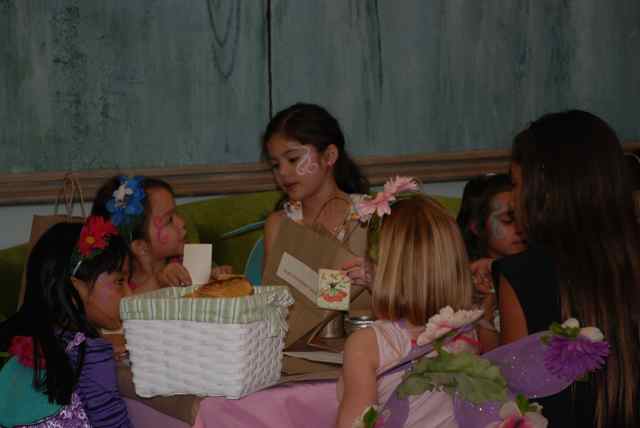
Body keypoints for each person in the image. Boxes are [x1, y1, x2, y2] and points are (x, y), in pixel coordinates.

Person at [489, 110, 640, 427]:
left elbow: (518, 401)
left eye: (515, 184)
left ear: (544, 189)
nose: (513, 202)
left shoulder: (522, 275)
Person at [336, 194, 479, 428]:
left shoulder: (367, 344)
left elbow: (355, 424)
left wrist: (382, 283)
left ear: (376, 267)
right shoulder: (465, 330)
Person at [0, 219, 132, 426]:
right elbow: (113, 423)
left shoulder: (28, 346)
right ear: (76, 289)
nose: (129, 294)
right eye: (119, 281)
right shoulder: (90, 355)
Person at [261, 102, 373, 287]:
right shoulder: (279, 225)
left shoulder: (370, 215)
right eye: (275, 165)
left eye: (293, 159)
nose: (282, 171)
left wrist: (376, 280)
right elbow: (271, 295)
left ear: (329, 156)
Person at [92, 176, 231, 294]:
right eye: (169, 220)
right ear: (141, 247)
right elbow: (124, 308)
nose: (182, 222)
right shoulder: (123, 288)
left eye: (176, 213)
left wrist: (215, 279)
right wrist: (158, 282)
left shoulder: (187, 263)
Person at [457, 173, 526, 350]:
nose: (521, 228)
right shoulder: (467, 281)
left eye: (524, 217)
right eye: (508, 220)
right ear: (476, 226)